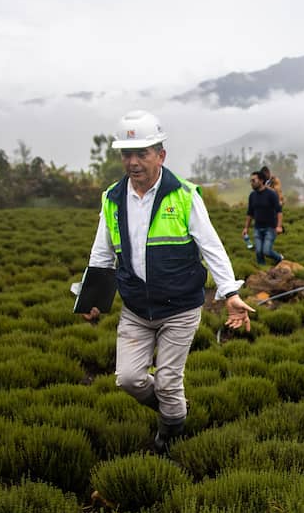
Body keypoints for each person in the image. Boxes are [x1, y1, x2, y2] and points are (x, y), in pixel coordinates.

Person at [81, 110, 255, 454]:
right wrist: (91, 299)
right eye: (127, 154)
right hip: (135, 309)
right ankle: (172, 413)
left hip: (180, 308)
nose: (133, 162)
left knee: (168, 382)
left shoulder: (185, 196)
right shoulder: (112, 199)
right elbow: (101, 254)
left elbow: (212, 247)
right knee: (128, 379)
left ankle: (169, 439)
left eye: (142, 153)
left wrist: (229, 292)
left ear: (160, 155)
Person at [243, 171, 284, 266]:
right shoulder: (252, 195)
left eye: (253, 180)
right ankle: (263, 269)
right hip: (257, 228)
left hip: (270, 228)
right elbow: (250, 213)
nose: (251, 183)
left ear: (261, 180)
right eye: (251, 181)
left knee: (266, 251)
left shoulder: (271, 194)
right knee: (258, 252)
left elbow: (279, 211)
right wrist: (246, 228)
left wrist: (279, 226)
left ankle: (280, 258)